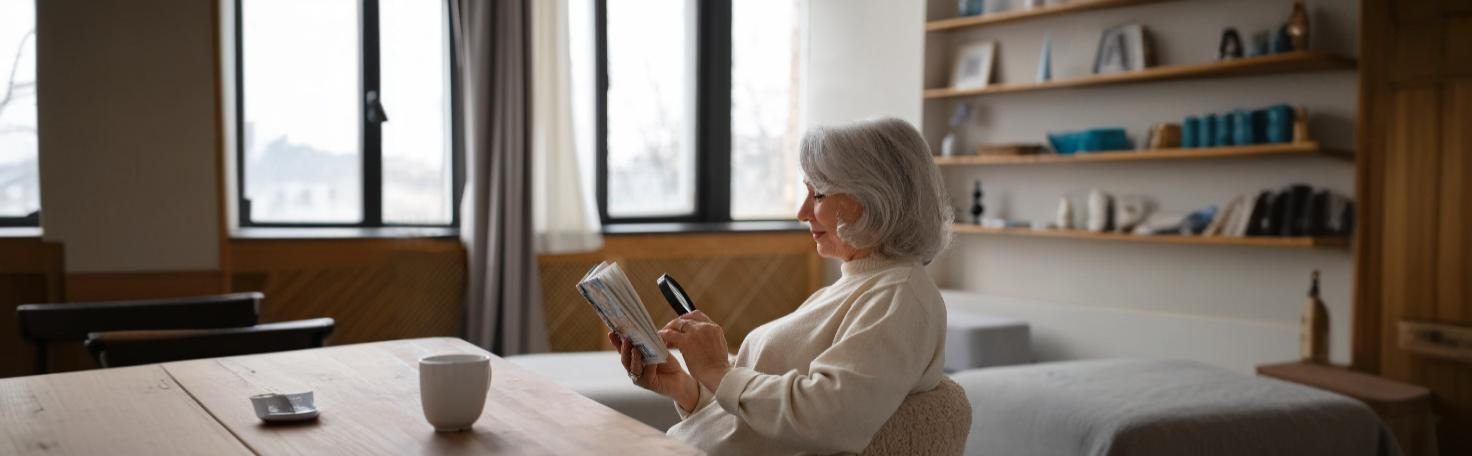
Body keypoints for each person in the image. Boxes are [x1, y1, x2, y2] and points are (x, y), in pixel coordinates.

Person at [610, 117, 953, 455]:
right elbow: (763, 427)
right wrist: (688, 388)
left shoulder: (900, 297)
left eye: (818, 193)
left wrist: (719, 371)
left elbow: (831, 420)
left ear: (874, 199)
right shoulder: (859, 286)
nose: (802, 212)